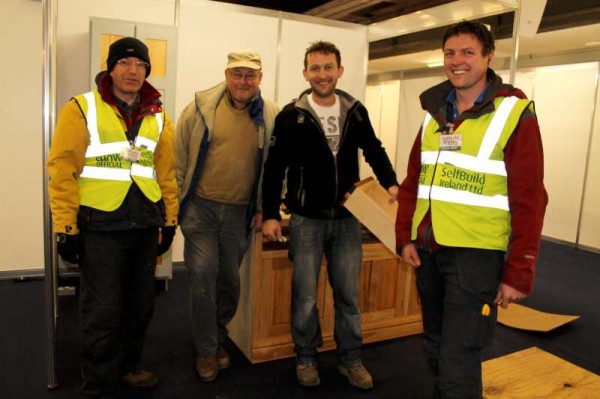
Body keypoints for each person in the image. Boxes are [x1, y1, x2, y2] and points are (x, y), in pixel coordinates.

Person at [394, 21, 548, 398]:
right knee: (435, 346)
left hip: (476, 257)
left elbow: (530, 197)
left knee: (458, 359)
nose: (457, 61)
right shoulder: (434, 112)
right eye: (450, 53)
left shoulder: (514, 112)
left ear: (488, 57)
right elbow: (414, 180)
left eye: (468, 52)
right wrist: (405, 237)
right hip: (430, 251)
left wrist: (519, 270)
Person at [261, 41, 399, 391]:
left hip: (348, 218)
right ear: (305, 73)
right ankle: (306, 356)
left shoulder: (354, 110)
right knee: (305, 295)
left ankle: (350, 360)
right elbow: (274, 167)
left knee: (349, 295)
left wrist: (392, 185)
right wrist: (269, 214)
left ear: (340, 71)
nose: (322, 74)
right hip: (306, 219)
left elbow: (374, 150)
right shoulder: (292, 115)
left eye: (328, 67)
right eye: (315, 68)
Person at [47, 37, 178, 398]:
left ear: (147, 71)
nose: (133, 71)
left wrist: (170, 221)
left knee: (140, 306)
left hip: (145, 224)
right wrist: (66, 227)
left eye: (140, 65)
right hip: (101, 227)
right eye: (124, 63)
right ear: (110, 67)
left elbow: (165, 174)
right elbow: (62, 170)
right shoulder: (82, 108)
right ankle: (99, 384)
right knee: (101, 312)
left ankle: (128, 367)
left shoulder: (159, 115)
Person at [175, 50, 279, 382]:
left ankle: (217, 336)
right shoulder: (199, 109)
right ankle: (207, 350)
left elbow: (277, 167)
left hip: (240, 213)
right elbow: (178, 159)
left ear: (260, 79)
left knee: (229, 282)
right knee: (203, 276)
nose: (243, 81)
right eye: (237, 74)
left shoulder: (271, 115)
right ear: (226, 74)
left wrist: (266, 206)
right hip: (200, 209)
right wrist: (179, 203)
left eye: (250, 75)